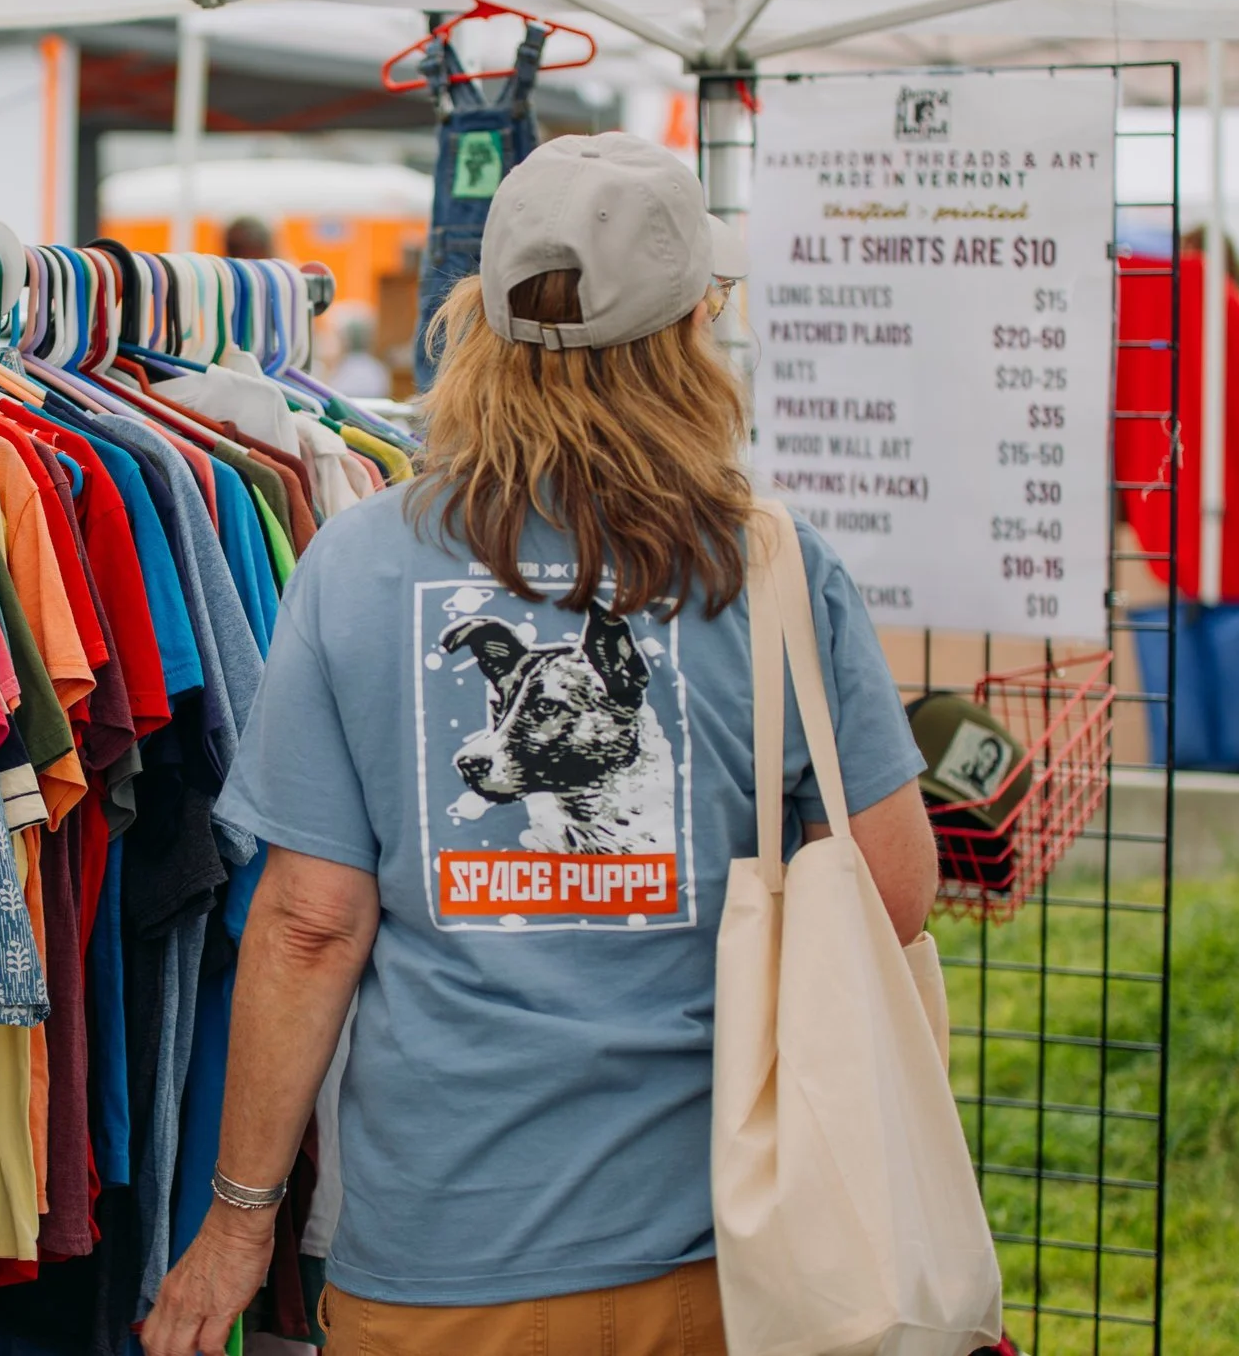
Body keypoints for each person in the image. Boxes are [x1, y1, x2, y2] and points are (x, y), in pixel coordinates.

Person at [144, 134, 939, 1356]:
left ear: (478, 320)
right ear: (690, 333)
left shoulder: (358, 562)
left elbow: (308, 925)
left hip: (444, 1251)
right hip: (737, 1240)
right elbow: (888, 891)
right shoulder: (771, 566)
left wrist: (241, 1219)